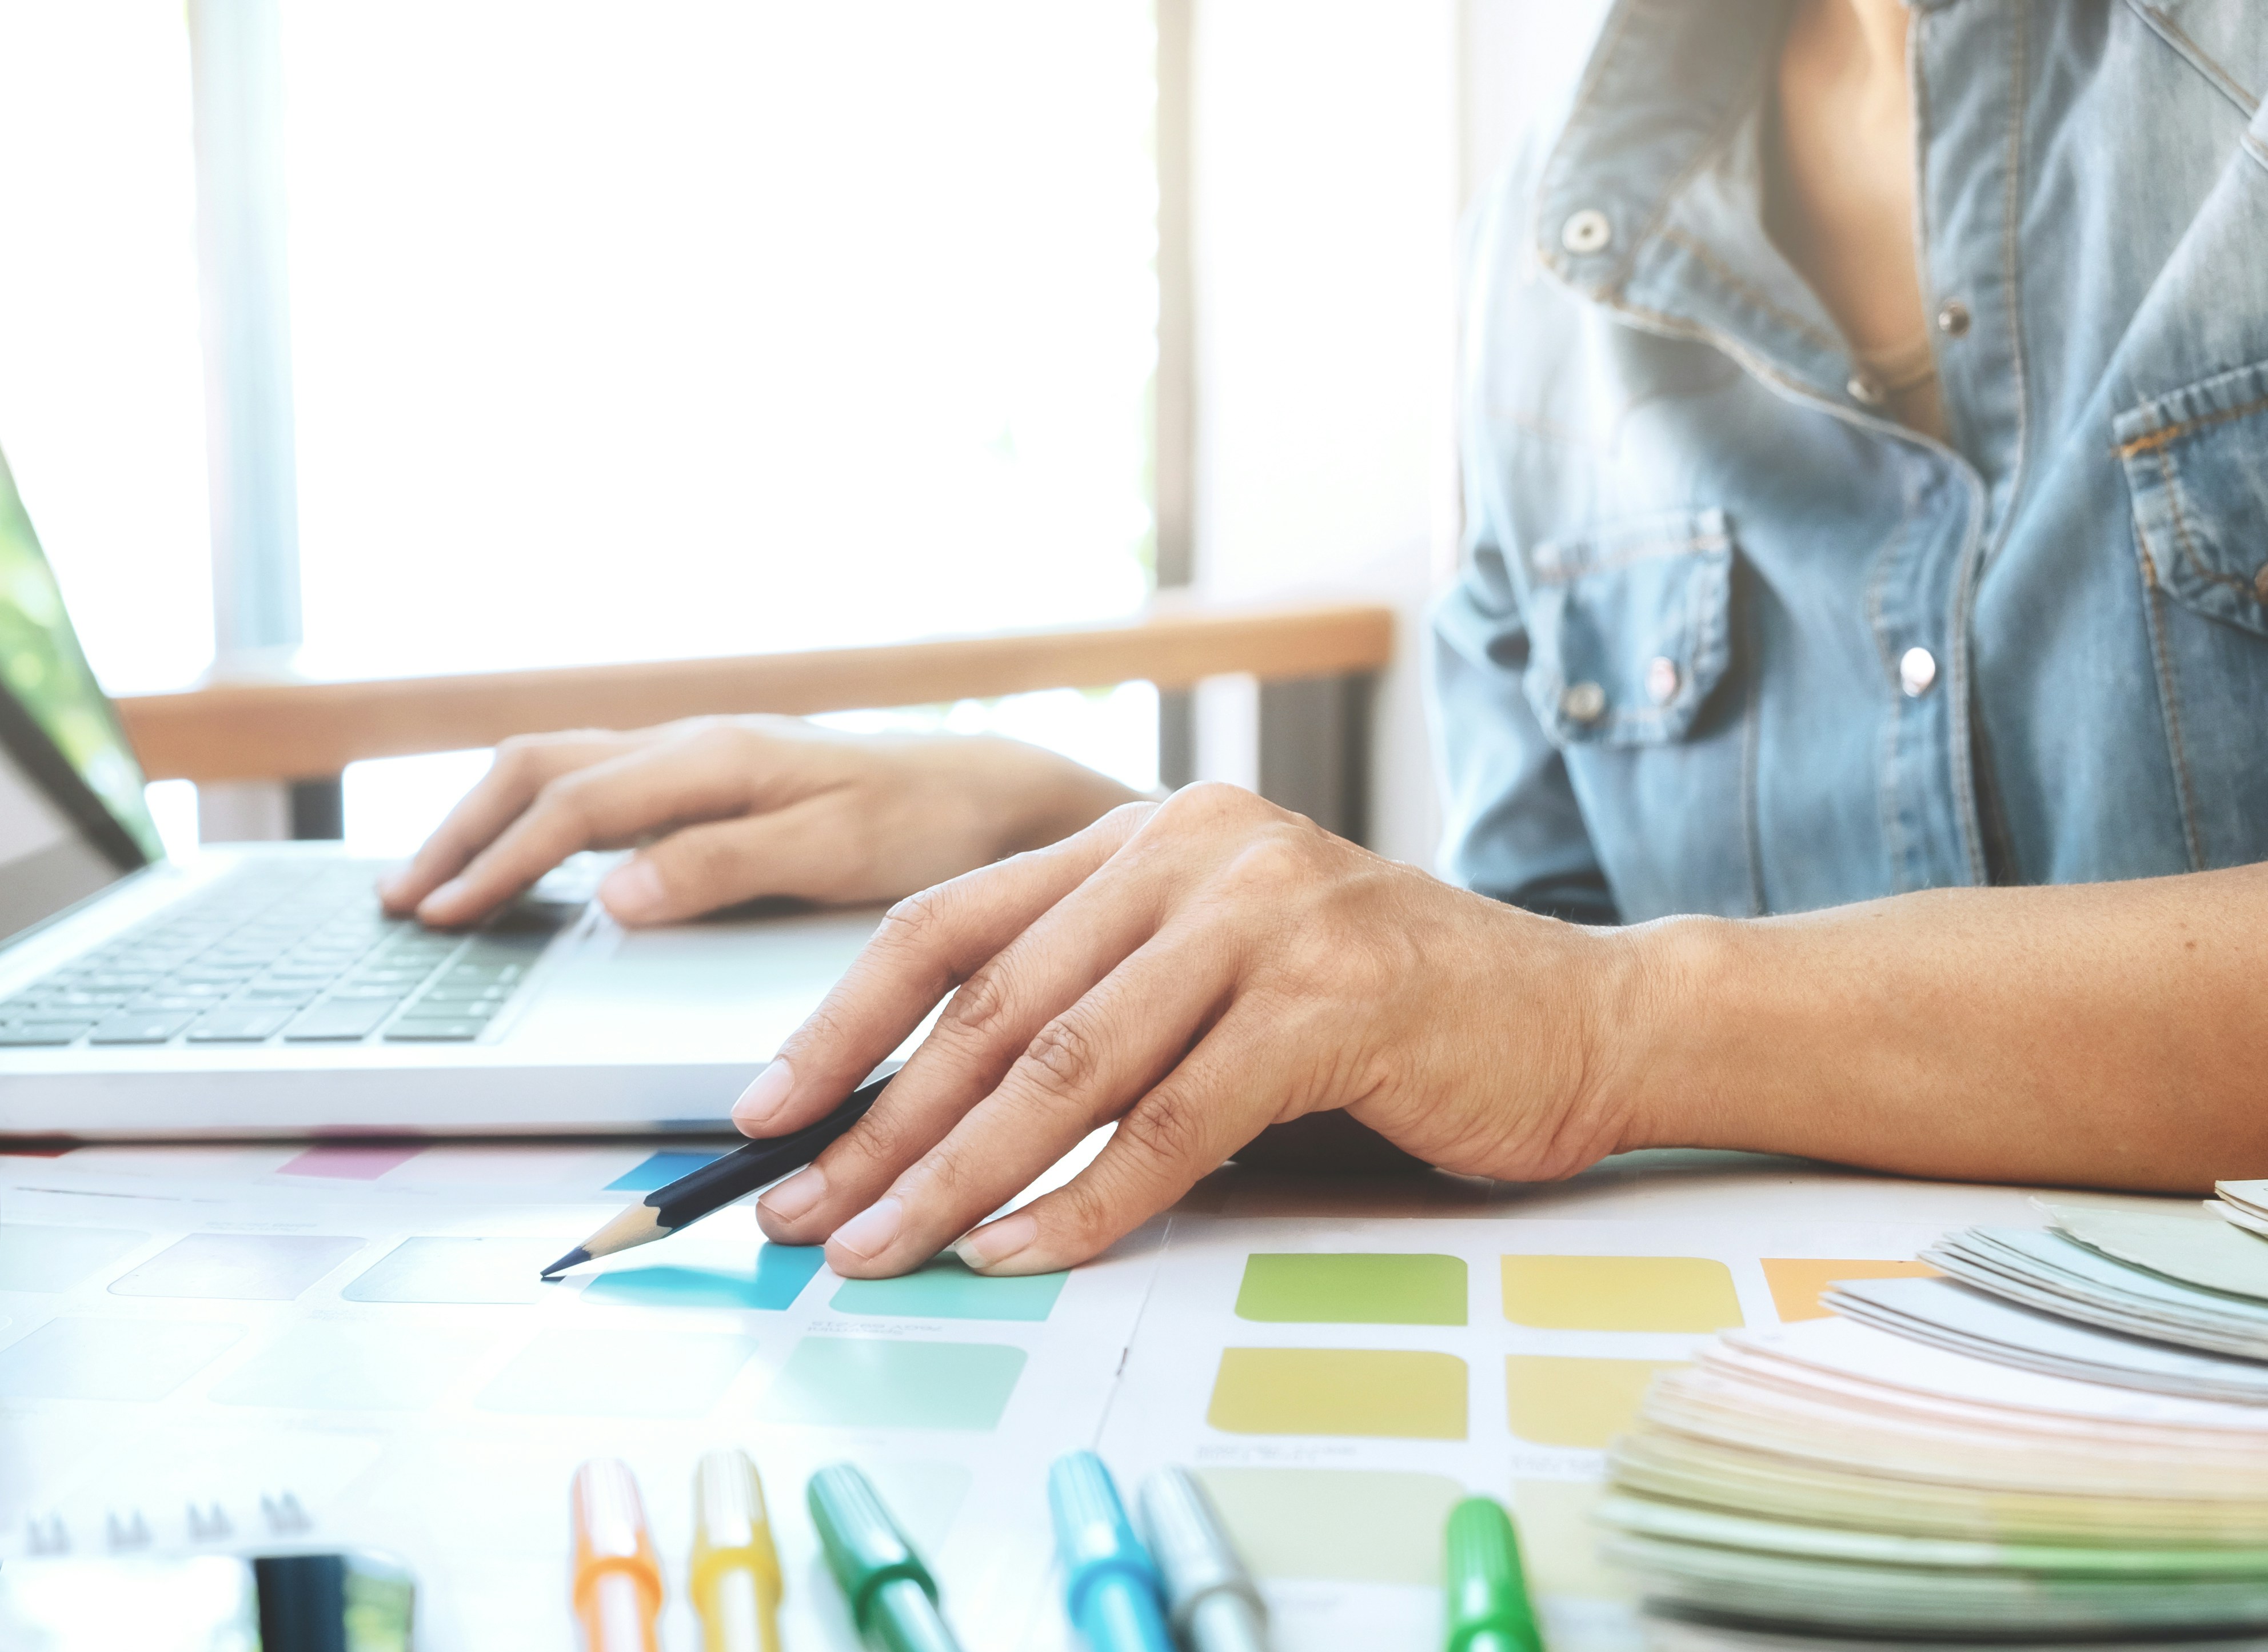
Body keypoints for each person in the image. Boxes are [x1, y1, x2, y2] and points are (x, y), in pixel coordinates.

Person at [382, 0, 2268, 1280]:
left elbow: (1601, 1022)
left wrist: (1615, 1027)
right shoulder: (1537, 259)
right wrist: (1064, 843)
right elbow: (1514, 988)